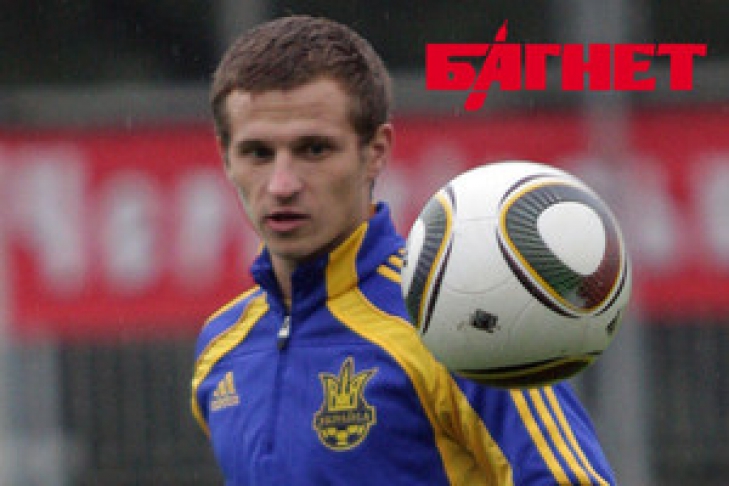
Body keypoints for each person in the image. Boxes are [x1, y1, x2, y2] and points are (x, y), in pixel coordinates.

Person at [191, 15, 616, 485]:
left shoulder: (460, 322)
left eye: (314, 149)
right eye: (258, 153)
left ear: (375, 151)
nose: (282, 184)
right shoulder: (220, 347)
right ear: (225, 156)